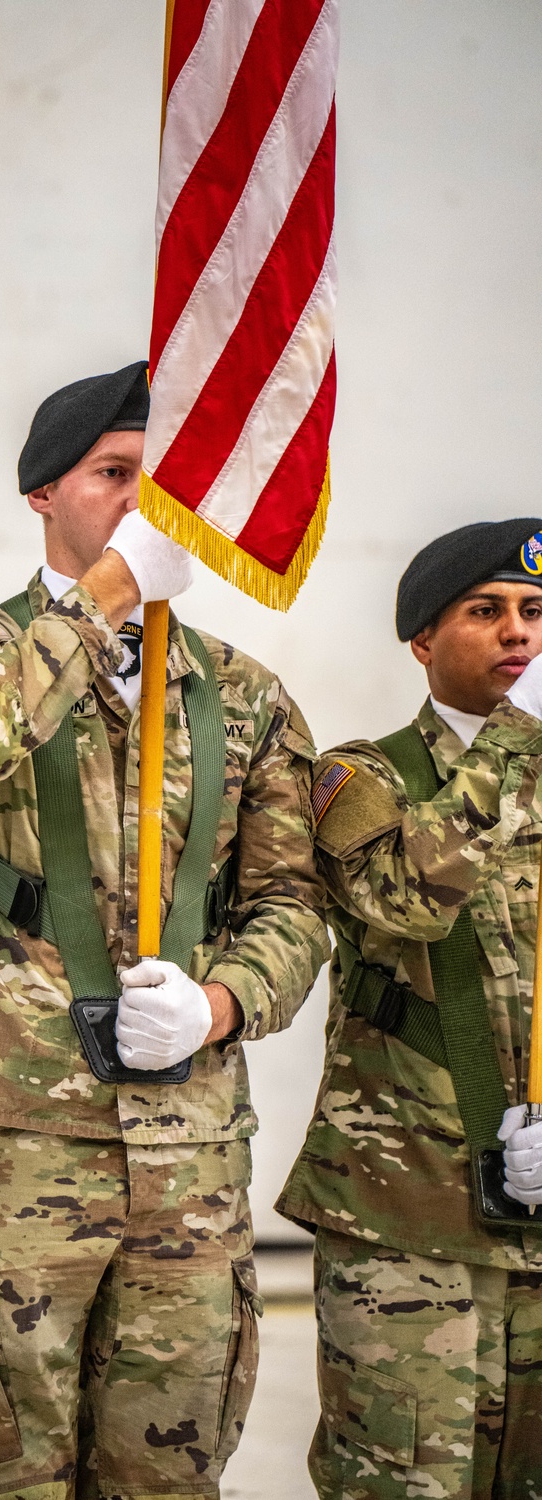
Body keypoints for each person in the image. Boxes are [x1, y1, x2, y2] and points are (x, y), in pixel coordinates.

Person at [0, 362, 329, 1500]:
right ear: (43, 493)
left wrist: (221, 1001)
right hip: (14, 1133)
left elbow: (290, 904)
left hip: (186, 1146)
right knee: (7, 1470)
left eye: (162, 492)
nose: (142, 509)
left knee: (166, 1474)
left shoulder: (243, 695)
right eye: (114, 477)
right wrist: (108, 593)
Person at [278, 518, 542, 1499]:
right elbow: (405, 902)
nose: (517, 633)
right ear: (422, 642)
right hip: (407, 1206)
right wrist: (512, 743)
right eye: (486, 612)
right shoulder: (363, 777)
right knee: (401, 1478)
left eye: (535, 613)